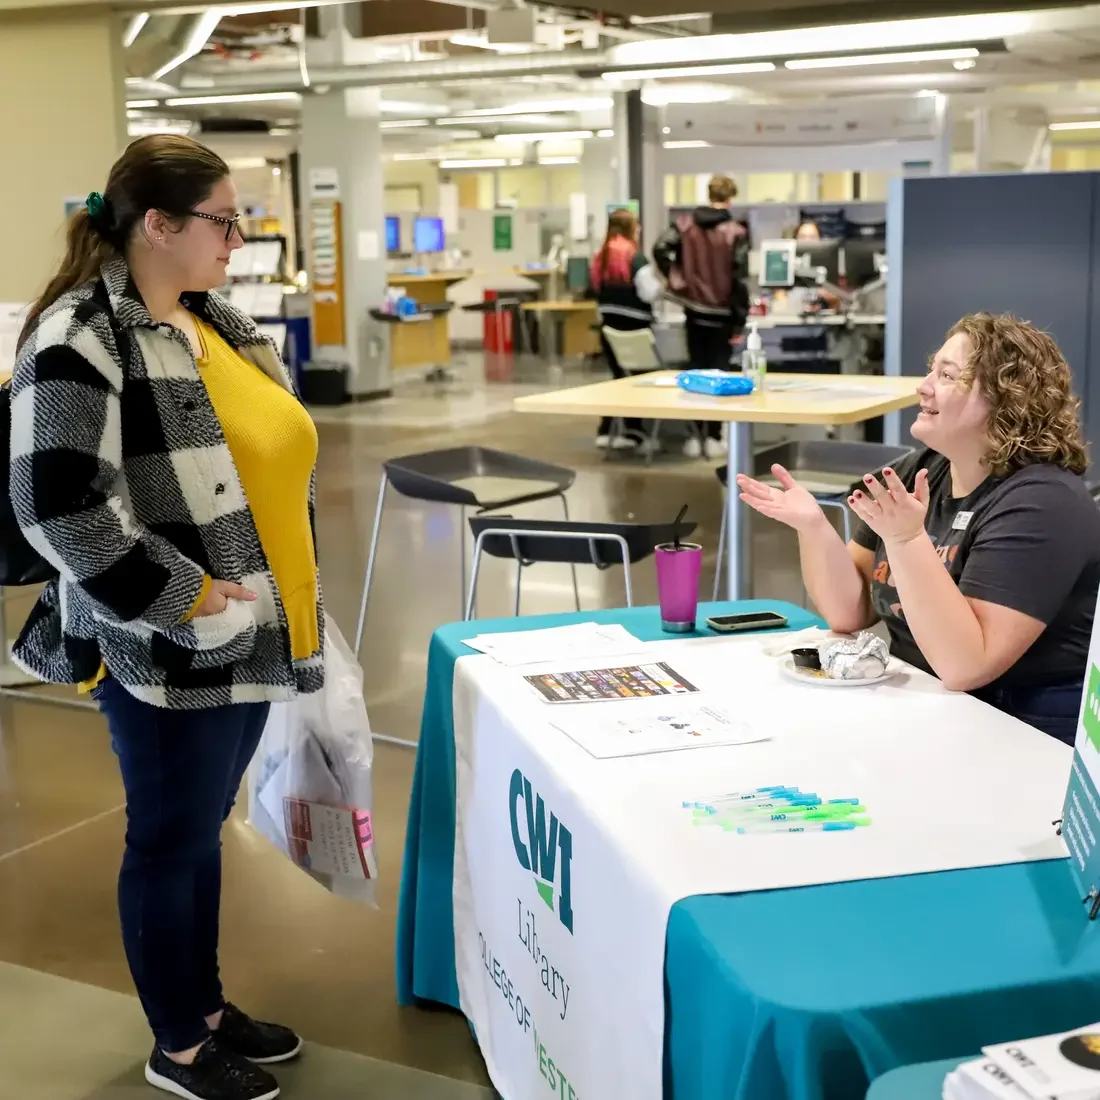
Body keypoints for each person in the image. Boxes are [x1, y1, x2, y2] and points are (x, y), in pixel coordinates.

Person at [10, 135, 323, 1100]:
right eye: (225, 219)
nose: (239, 237)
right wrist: (184, 598)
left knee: (201, 830)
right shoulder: (80, 336)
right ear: (161, 224)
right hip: (160, 641)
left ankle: (207, 1005)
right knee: (169, 836)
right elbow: (57, 501)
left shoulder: (213, 320)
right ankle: (177, 1044)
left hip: (252, 629)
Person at [736, 313, 1100, 744]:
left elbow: (967, 665)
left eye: (947, 375)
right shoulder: (921, 470)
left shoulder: (1042, 501)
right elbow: (849, 612)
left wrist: (907, 539)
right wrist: (813, 527)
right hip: (933, 706)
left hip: (1022, 727)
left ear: (1008, 400)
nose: (923, 386)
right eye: (932, 369)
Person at [653, 173, 750, 459]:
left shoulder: (684, 225)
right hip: (722, 314)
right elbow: (739, 278)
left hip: (694, 312)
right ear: (730, 197)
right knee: (720, 376)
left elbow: (660, 248)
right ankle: (714, 437)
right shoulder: (736, 232)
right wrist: (739, 320)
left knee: (696, 373)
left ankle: (694, 438)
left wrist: (679, 278)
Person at [589, 207, 662, 452]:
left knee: (619, 380)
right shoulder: (635, 258)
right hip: (636, 328)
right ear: (631, 228)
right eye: (637, 226)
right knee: (639, 381)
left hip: (609, 328)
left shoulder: (601, 257)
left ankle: (607, 431)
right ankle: (636, 433)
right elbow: (648, 292)